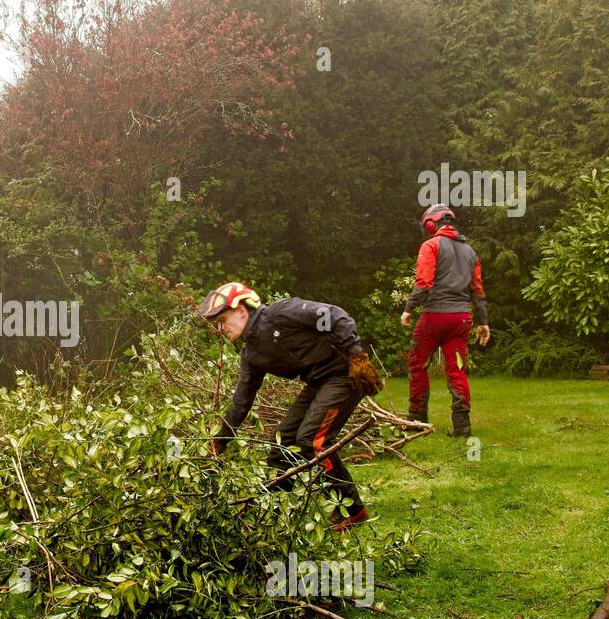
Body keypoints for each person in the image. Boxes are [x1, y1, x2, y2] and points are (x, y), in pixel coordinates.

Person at [200, 282, 383, 532]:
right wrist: (220, 440)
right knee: (282, 443)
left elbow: (334, 316)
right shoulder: (252, 354)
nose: (220, 329)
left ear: (241, 311)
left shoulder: (280, 314)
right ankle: (272, 511)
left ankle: (353, 510)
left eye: (222, 320)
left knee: (314, 441)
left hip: (344, 373)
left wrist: (356, 356)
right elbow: (242, 400)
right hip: (318, 381)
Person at [400, 205, 490, 437]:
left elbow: (424, 282)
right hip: (461, 320)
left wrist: (409, 309)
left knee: (417, 363)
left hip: (435, 318)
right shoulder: (471, 252)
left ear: (431, 224)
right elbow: (477, 290)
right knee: (457, 368)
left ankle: (417, 420)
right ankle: (462, 426)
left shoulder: (430, 245)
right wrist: (483, 322)